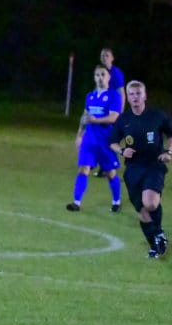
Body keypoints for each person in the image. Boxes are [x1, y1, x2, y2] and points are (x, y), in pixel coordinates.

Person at [109, 80, 172, 258]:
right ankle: (155, 242)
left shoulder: (157, 116)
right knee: (142, 210)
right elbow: (112, 142)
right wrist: (122, 151)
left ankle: (158, 235)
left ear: (145, 96)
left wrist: (169, 152)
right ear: (128, 98)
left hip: (154, 165)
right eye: (131, 94)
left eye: (138, 93)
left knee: (150, 203)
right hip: (133, 169)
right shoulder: (124, 119)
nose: (135, 97)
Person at [65, 65, 122, 212]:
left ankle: (116, 201)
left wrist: (95, 120)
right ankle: (76, 202)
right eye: (97, 75)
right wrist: (79, 135)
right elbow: (85, 117)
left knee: (110, 173)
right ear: (94, 78)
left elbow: (113, 117)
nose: (100, 78)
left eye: (103, 74)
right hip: (89, 139)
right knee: (84, 168)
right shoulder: (90, 96)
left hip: (106, 140)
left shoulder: (114, 96)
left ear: (109, 77)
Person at [95, 47, 127, 177]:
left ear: (112, 58)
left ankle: (109, 166)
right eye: (102, 55)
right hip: (103, 109)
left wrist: (120, 111)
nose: (104, 58)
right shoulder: (100, 71)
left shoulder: (116, 73)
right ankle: (106, 165)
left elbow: (121, 93)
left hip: (113, 110)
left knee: (109, 139)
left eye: (107, 55)